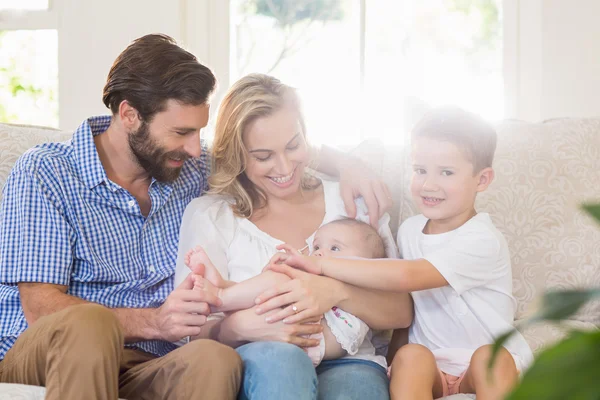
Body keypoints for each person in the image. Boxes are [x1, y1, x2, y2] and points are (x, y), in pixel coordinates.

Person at [0, 35, 391, 400]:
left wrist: (348, 162)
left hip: (148, 363)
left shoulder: (185, 164)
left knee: (213, 358)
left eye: (198, 133)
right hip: (56, 352)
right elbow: (40, 308)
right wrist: (156, 322)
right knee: (90, 324)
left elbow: (264, 151)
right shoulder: (46, 173)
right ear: (130, 115)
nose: (194, 148)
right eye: (182, 132)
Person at [268, 107, 535, 400]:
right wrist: (392, 359)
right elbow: (408, 311)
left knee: (490, 359)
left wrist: (323, 265)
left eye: (446, 172)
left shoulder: (481, 238)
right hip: (433, 364)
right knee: (409, 358)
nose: (428, 184)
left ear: (482, 180)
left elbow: (407, 276)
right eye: (420, 170)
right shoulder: (410, 230)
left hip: (484, 362)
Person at [175, 73, 413, 400]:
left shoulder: (351, 203)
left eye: (293, 145)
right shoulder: (211, 215)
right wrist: (236, 327)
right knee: (282, 366)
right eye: (263, 156)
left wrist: (333, 291)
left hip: (349, 361)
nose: (284, 166)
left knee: (358, 391)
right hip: (263, 357)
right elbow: (193, 334)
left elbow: (402, 310)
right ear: (237, 153)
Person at [182, 218, 387, 366]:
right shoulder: (313, 276)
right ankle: (223, 289)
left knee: (283, 283)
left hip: (315, 339)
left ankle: (223, 298)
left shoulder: (364, 287)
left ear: (366, 263)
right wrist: (286, 265)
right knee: (279, 279)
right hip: (286, 330)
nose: (319, 253)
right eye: (316, 246)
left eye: (335, 248)